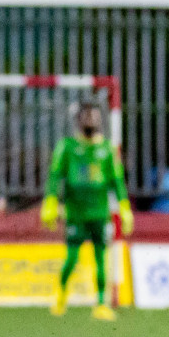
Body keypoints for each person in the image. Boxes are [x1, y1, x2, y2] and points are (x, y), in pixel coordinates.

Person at [41, 103, 132, 320]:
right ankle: (61, 295)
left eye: (94, 116)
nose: (91, 120)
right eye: (86, 116)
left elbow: (117, 180)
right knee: (71, 258)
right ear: (78, 120)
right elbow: (55, 175)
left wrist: (125, 206)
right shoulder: (67, 146)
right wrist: (50, 201)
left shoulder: (107, 149)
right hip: (76, 213)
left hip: (100, 214)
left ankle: (101, 303)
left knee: (101, 259)